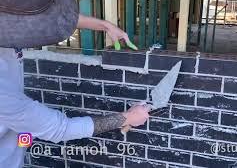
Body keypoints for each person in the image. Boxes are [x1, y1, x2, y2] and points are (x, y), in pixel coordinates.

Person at [0, 13, 150, 168]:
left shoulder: (7, 26)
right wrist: (127, 118)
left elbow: (44, 18)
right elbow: (61, 129)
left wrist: (105, 26)